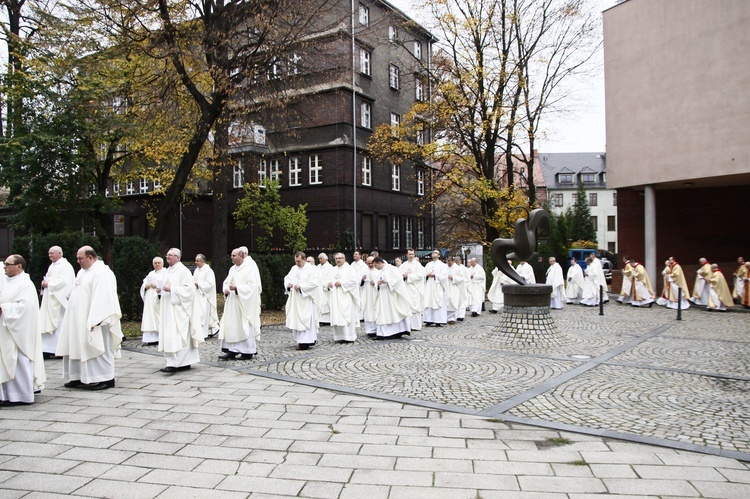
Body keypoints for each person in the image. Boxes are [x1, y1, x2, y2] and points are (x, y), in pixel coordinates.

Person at [57, 246, 122, 391]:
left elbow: (105, 296)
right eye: (77, 258)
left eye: (80, 258)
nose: (78, 261)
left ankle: (106, 378)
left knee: (99, 346)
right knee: (78, 345)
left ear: (90, 257)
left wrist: (96, 319)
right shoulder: (82, 272)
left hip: (96, 319)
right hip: (77, 318)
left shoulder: (102, 272)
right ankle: (78, 376)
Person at [0, 255, 45, 405]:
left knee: (18, 361)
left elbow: (26, 308)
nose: (5, 267)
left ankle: (21, 395)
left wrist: (4, 308)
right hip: (6, 328)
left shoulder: (25, 284)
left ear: (19, 266)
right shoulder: (7, 281)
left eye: (8, 264)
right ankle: (6, 394)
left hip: (19, 331)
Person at [158, 248, 204, 373]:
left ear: (177, 258)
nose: (168, 257)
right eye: (167, 254)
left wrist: (172, 289)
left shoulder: (183, 271)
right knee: (170, 335)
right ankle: (173, 362)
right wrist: (160, 290)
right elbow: (165, 286)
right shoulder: (167, 271)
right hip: (168, 308)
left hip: (179, 310)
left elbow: (189, 291)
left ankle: (179, 362)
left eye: (171, 255)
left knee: (178, 335)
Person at [217, 248, 260, 360]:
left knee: (243, 325)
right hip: (232, 303)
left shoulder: (248, 270)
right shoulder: (232, 269)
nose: (231, 257)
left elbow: (252, 287)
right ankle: (231, 350)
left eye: (234, 255)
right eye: (231, 255)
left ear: (241, 256)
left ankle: (247, 351)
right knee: (231, 325)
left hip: (242, 305)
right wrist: (226, 289)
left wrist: (237, 288)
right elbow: (226, 282)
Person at [37, 245, 75, 358]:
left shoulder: (65, 266)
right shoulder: (52, 266)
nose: (49, 255)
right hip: (49, 300)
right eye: (49, 253)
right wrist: (45, 284)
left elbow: (64, 282)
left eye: (51, 253)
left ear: (59, 253)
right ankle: (47, 349)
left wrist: (49, 284)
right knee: (46, 322)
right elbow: (48, 279)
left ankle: (59, 349)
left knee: (59, 324)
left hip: (59, 301)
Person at [284, 251, 320, 350]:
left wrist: (301, 287)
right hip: (295, 299)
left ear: (304, 259)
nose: (297, 263)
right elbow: (287, 278)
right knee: (296, 319)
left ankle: (306, 341)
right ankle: (300, 340)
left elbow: (314, 284)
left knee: (305, 319)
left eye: (299, 261)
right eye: (296, 261)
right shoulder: (294, 268)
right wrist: (288, 285)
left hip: (305, 300)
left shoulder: (311, 270)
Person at [373, 257, 412, 339]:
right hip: (383, 296)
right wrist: (378, 284)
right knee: (384, 313)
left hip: (392, 296)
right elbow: (377, 284)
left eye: (376, 265)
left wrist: (388, 282)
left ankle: (397, 331)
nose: (375, 267)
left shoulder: (392, 269)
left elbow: (399, 279)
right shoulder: (381, 272)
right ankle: (383, 333)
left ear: (379, 263)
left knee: (394, 313)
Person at [327, 253, 359, 343]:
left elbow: (353, 281)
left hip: (346, 296)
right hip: (335, 296)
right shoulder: (333, 270)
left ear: (344, 259)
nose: (338, 260)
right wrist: (329, 283)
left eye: (340, 258)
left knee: (346, 316)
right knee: (337, 316)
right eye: (336, 258)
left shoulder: (350, 269)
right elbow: (327, 280)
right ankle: (339, 336)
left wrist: (341, 283)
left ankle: (348, 336)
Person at [139, 257, 165, 346]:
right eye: (155, 263)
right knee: (149, 318)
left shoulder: (165, 273)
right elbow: (144, 284)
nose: (157, 264)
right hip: (149, 299)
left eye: (158, 263)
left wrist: (157, 285)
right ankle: (150, 339)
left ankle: (159, 337)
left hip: (158, 299)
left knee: (159, 318)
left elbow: (166, 285)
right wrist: (145, 286)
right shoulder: (151, 273)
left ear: (162, 263)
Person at [193, 254, 219, 338]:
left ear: (203, 261)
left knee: (204, 314)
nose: (195, 262)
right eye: (195, 260)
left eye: (197, 261)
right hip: (197, 295)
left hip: (205, 296)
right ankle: (201, 331)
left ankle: (206, 332)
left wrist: (199, 284)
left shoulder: (208, 271)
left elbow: (210, 284)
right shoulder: (196, 270)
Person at [401, 248, 425, 331]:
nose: (411, 256)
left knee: (415, 306)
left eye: (412, 254)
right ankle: (408, 326)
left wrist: (409, 276)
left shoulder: (417, 265)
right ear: (407, 255)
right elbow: (400, 275)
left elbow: (420, 276)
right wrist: (403, 275)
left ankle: (416, 326)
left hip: (415, 288)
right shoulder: (404, 265)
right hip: (406, 288)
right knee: (407, 306)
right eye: (409, 254)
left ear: (414, 254)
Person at [423, 249, 448, 327]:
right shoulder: (428, 264)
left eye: (436, 253)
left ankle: (438, 320)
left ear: (439, 255)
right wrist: (427, 274)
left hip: (437, 286)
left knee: (437, 302)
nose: (433, 253)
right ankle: (429, 320)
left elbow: (444, 277)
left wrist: (435, 275)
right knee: (428, 301)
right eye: (433, 252)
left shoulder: (442, 265)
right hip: (429, 285)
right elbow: (423, 274)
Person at [361, 256, 379, 338]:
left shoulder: (378, 271)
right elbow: (358, 283)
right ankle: (369, 330)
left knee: (375, 309)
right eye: (368, 263)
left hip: (375, 294)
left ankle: (376, 329)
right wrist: (362, 279)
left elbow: (380, 281)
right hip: (366, 294)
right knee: (367, 310)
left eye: (372, 263)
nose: (370, 265)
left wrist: (375, 283)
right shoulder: (363, 270)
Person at [445, 257, 465, 324]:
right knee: (446, 301)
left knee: (453, 301)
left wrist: (453, 277)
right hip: (446, 286)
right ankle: (445, 318)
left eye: (450, 261)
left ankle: (452, 318)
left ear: (453, 261)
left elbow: (461, 278)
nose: (449, 263)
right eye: (447, 261)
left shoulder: (457, 268)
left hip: (454, 286)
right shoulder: (444, 267)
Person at [350, 250, 369, 320]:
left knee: (361, 300)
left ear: (360, 256)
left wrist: (359, 280)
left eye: (356, 254)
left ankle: (362, 315)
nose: (354, 255)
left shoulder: (363, 265)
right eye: (354, 254)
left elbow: (363, 275)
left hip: (360, 285)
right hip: (354, 285)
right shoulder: (352, 264)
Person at [316, 253, 333, 324]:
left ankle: (327, 320)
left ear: (326, 259)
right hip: (319, 288)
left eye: (321, 258)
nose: (320, 260)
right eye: (319, 259)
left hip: (325, 288)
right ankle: (320, 319)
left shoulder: (330, 267)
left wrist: (325, 284)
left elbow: (330, 277)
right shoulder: (318, 266)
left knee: (326, 302)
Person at [454, 257, 469, 321]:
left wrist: (461, 283)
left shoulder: (464, 269)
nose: (457, 262)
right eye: (456, 261)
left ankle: (461, 316)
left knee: (462, 301)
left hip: (462, 287)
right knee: (455, 301)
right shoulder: (453, 268)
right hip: (454, 287)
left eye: (458, 260)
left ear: (460, 261)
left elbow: (467, 279)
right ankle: (455, 315)